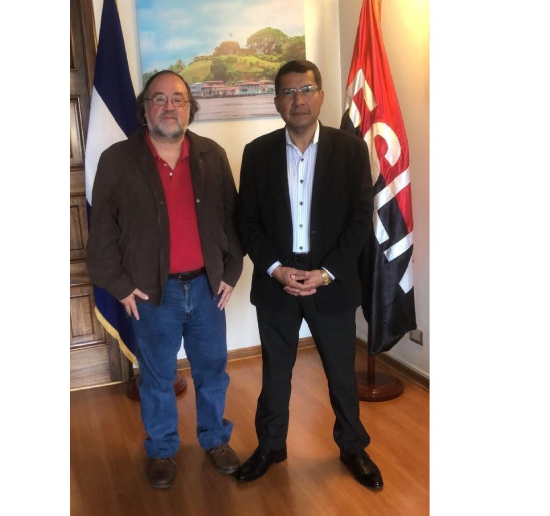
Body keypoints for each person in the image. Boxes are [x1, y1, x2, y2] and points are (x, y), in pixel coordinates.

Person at [86, 70, 244, 490]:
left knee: (213, 370)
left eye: (178, 99)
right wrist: (119, 284)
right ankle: (161, 449)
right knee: (157, 378)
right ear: (145, 108)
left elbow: (232, 219)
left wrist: (231, 271)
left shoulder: (212, 155)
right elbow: (102, 233)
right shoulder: (117, 160)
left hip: (208, 289)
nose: (169, 107)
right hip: (152, 294)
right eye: (159, 98)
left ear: (190, 108)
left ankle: (215, 439)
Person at [234, 60, 383, 490]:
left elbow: (360, 219)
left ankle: (353, 447)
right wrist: (277, 269)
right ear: (276, 101)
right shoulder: (256, 153)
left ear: (320, 96)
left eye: (306, 90)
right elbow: (247, 222)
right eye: (288, 92)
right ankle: (270, 446)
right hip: (276, 283)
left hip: (331, 283)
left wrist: (327, 272)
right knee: (275, 373)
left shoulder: (350, 150)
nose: (297, 100)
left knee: (341, 374)